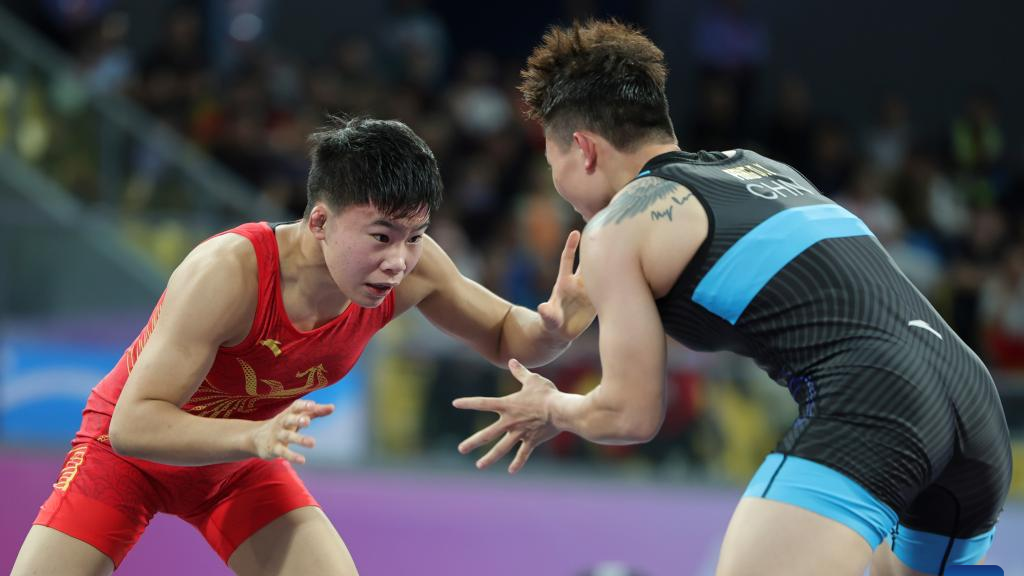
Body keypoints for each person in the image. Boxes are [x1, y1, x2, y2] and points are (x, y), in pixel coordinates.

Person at [453, 20, 1012, 576]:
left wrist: (551, 407)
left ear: (584, 149)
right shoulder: (762, 168)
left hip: (875, 399)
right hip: (973, 400)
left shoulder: (615, 227)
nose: (562, 190)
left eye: (554, 166)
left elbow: (629, 413)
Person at [11, 116, 594, 576]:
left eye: (415, 236)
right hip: (128, 462)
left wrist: (555, 329)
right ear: (319, 222)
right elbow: (133, 425)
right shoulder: (228, 272)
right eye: (381, 236)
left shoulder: (413, 269)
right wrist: (250, 436)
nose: (399, 261)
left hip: (239, 464)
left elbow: (506, 335)